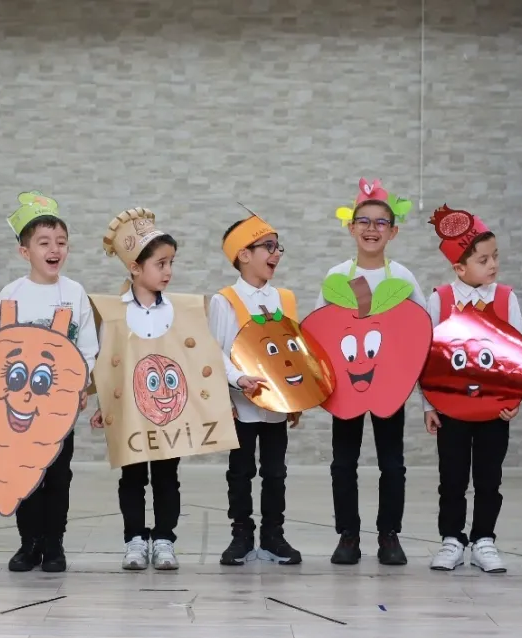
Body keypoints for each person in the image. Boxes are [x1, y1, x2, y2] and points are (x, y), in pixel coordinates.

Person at [90, 208, 236, 571]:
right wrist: (102, 403)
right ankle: (135, 540)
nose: (168, 271)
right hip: (130, 411)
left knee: (167, 477)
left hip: (171, 411)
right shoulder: (114, 313)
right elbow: (107, 362)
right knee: (132, 477)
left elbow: (204, 356)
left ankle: (165, 539)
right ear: (135, 268)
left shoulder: (182, 310)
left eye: (171, 262)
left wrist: (228, 390)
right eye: (160, 264)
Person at [0, 192, 98, 573]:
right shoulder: (11, 294)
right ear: (24, 251)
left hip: (58, 408)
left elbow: (88, 347)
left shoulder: (74, 293)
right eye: (44, 243)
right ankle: (28, 543)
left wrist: (80, 385)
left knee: (58, 476)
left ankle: (54, 543)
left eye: (61, 242)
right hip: (17, 409)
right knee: (25, 474)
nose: (54, 250)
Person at [316, 179, 427, 566]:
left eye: (381, 222)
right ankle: (348, 535)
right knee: (343, 463)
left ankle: (389, 535)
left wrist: (423, 394)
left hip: (390, 385)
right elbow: (319, 334)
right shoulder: (336, 276)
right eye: (363, 221)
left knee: (392, 463)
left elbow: (422, 333)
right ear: (351, 228)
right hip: (346, 385)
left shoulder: (403, 278)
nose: (371, 229)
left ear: (393, 232)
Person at [421, 208, 522, 573]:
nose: (493, 264)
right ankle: (451, 538)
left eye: (495, 256)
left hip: (494, 407)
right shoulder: (441, 299)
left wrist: (514, 399)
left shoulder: (506, 298)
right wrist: (428, 405)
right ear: (460, 268)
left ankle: (484, 539)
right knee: (452, 476)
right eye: (483, 260)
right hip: (450, 406)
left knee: (489, 476)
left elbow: (518, 352)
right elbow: (428, 356)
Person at [208, 210, 304, 565]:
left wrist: (297, 397)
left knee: (276, 473)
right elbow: (214, 350)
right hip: (241, 406)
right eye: (268, 246)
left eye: (278, 247)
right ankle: (241, 535)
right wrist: (237, 381)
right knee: (240, 472)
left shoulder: (285, 299)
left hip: (276, 407)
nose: (276, 254)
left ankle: (274, 535)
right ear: (244, 255)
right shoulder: (225, 300)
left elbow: (295, 351)